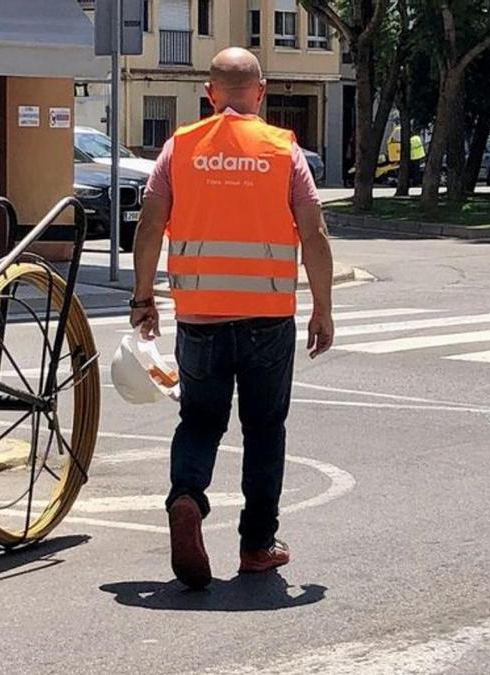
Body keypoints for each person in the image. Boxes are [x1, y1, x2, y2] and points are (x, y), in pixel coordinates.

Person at [130, 48, 336, 590]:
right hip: (267, 316)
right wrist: (323, 307)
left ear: (210, 93)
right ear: (261, 92)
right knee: (265, 430)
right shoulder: (283, 151)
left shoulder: (180, 148)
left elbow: (149, 226)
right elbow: (313, 234)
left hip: (199, 316)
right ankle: (257, 545)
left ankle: (186, 498)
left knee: (200, 421)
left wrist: (142, 298)